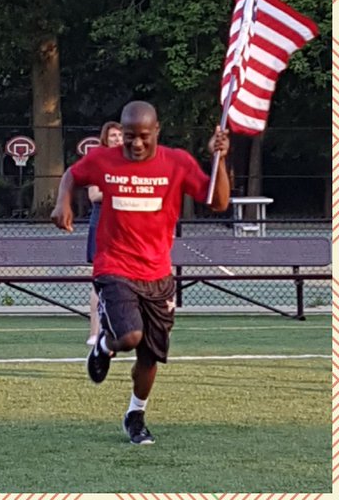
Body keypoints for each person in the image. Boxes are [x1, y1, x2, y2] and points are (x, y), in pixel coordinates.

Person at [51, 100, 231, 445]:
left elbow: (218, 202)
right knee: (129, 336)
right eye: (129, 136)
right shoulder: (105, 160)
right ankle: (104, 344)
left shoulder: (176, 162)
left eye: (143, 137)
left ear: (157, 132)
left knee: (149, 356)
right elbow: (73, 174)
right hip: (115, 267)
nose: (135, 144)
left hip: (158, 275)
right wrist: (63, 201)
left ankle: (135, 415)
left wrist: (220, 159)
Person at [85, 120, 124, 349]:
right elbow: (93, 195)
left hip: (125, 227)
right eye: (113, 136)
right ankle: (94, 331)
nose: (117, 139)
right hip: (102, 226)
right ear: (105, 139)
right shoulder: (98, 162)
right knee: (99, 279)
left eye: (120, 135)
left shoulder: (131, 162)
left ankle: (120, 329)